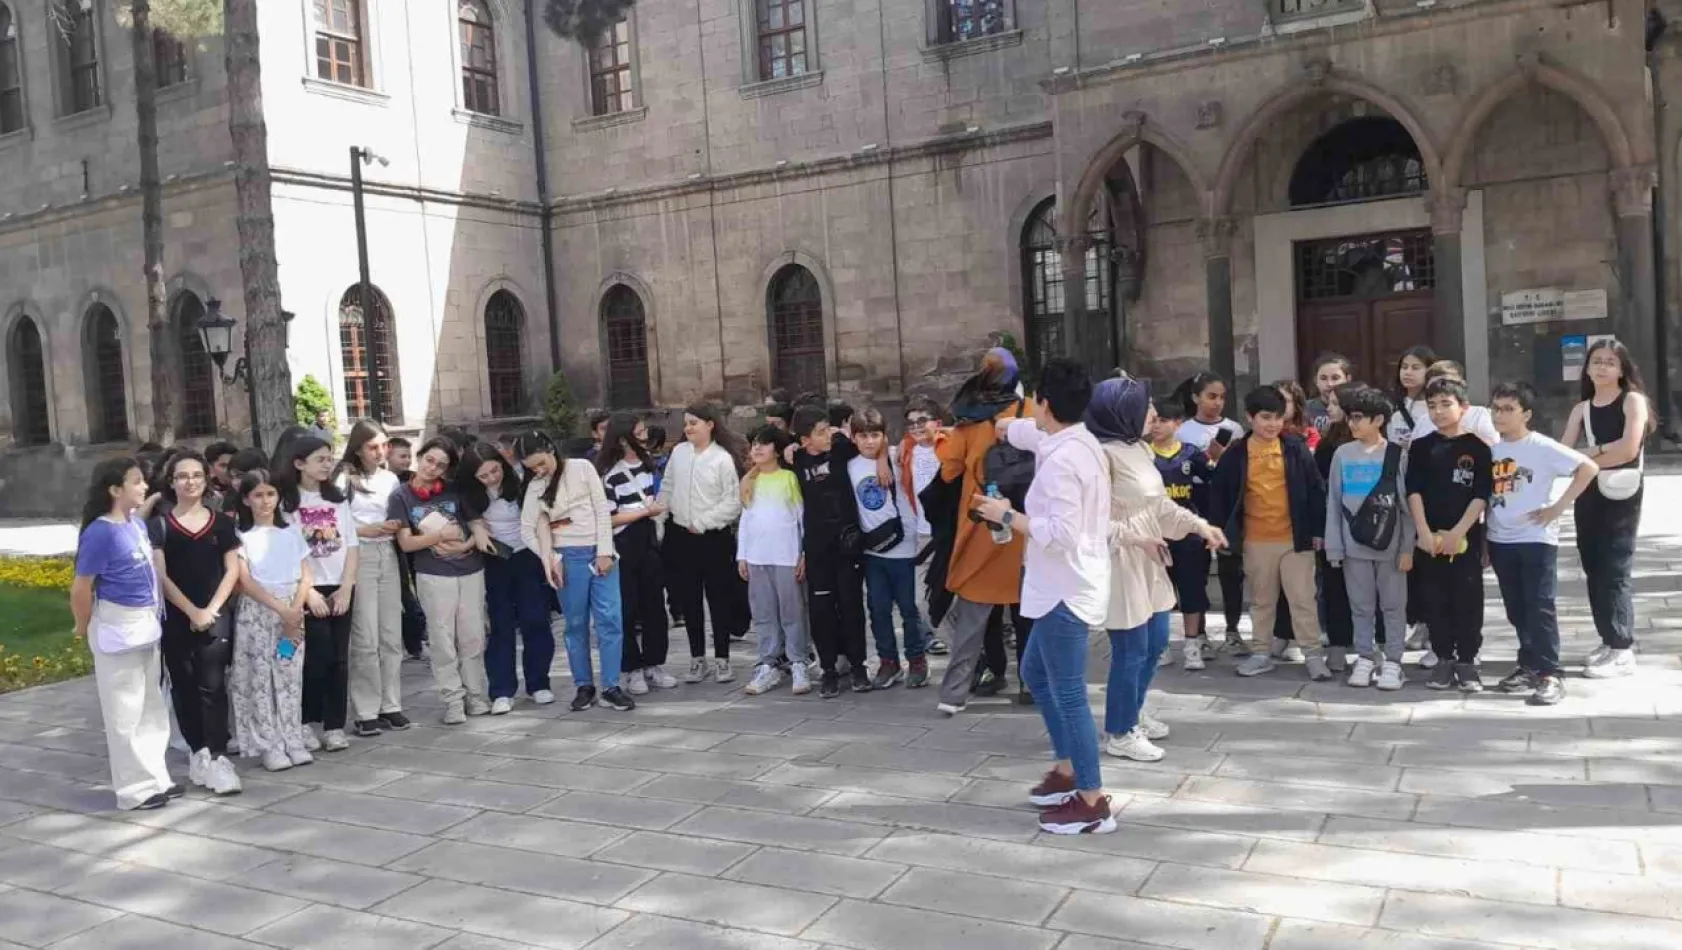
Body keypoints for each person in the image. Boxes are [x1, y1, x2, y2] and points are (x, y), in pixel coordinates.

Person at [972, 358, 1114, 835]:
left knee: (1069, 691)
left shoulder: (1062, 463)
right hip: (1060, 582)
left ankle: (1091, 800)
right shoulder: (1073, 438)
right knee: (1034, 671)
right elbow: (1023, 432)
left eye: (1034, 401)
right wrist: (1005, 423)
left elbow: (1060, 534)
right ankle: (1068, 770)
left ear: (1046, 403)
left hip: (1065, 587)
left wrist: (1004, 514)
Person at [1089, 378, 1226, 762]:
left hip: (1151, 553)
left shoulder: (1139, 449)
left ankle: (1132, 710)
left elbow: (1159, 505)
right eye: (1145, 404)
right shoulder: (1101, 456)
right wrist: (1133, 539)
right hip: (1121, 557)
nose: (1153, 411)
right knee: (1130, 649)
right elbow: (1090, 518)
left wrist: (1199, 525)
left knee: (1154, 643)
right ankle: (1119, 730)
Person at [71, 458, 180, 810]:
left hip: (146, 623)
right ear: (115, 490)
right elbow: (82, 586)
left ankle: (156, 776)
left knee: (151, 705)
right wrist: (82, 624)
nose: (144, 487)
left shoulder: (136, 525)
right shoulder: (100, 532)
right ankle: (134, 789)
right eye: (136, 481)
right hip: (117, 624)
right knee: (125, 710)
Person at [1487, 381, 1597, 704]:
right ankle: (1529, 662)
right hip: (1499, 537)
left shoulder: (1541, 446)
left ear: (1527, 414)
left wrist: (1558, 507)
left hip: (1535, 538)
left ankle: (1551, 672)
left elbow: (1588, 468)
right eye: (1496, 408)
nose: (1500, 415)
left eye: (1509, 409)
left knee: (1539, 605)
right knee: (1515, 607)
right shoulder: (1491, 449)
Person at [935, 348, 1031, 715]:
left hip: (982, 528)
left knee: (973, 618)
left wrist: (945, 440)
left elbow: (948, 472)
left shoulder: (968, 418)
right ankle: (1032, 684)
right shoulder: (1032, 412)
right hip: (1024, 527)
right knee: (1028, 615)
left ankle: (954, 694)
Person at [1208, 386, 1326, 678]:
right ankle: (1260, 652)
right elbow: (1220, 497)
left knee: (1303, 598)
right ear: (1250, 418)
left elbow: (1315, 489)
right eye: (1265, 417)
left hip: (1296, 539)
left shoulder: (1295, 448)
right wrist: (1220, 533)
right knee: (1262, 601)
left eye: (1277, 418)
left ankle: (1313, 655)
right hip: (1256, 541)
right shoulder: (1236, 453)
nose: (1272, 424)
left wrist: (1318, 530)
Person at [519, 431, 634, 712]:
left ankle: (611, 685)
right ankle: (584, 685)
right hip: (567, 558)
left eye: (541, 463)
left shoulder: (582, 468)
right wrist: (551, 557)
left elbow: (601, 511)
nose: (539, 470)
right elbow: (526, 531)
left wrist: (605, 550)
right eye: (532, 468)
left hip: (599, 552)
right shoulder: (536, 487)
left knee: (610, 620)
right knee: (575, 624)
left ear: (551, 448)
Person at [149, 450, 243, 795]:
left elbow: (232, 569)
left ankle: (219, 756)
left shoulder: (221, 523)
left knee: (214, 686)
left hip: (215, 616)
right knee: (184, 686)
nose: (190, 482)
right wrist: (191, 611)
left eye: (197, 476)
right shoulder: (159, 525)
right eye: (182, 476)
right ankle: (198, 751)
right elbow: (160, 575)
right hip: (177, 618)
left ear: (206, 481)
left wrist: (211, 610)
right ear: (171, 483)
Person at [1561, 338, 1653, 679]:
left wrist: (1591, 453)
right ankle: (1608, 639)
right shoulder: (1580, 409)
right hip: (1588, 492)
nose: (1602, 367)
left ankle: (1622, 648)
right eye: (1596, 361)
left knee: (1615, 567)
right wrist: (1596, 454)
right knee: (1593, 564)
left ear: (1622, 369)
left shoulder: (1633, 401)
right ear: (1587, 367)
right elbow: (1564, 453)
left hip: (1622, 494)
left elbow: (1628, 450)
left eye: (1610, 362)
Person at [391, 437, 491, 724]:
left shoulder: (454, 491)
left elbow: (477, 525)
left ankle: (475, 694)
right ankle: (453, 699)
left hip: (470, 570)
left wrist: (464, 545)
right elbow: (407, 544)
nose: (433, 468)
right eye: (429, 460)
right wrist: (438, 537)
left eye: (441, 465)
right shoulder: (401, 496)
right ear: (419, 457)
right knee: (442, 639)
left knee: (473, 636)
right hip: (433, 575)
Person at [1406, 375, 1493, 692]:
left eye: (1446, 404)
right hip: (1429, 539)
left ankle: (1467, 660)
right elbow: (1413, 490)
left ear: (1464, 407)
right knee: (1434, 598)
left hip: (1465, 538)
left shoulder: (1479, 448)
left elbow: (1481, 494)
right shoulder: (1420, 447)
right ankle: (1443, 658)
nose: (1439, 411)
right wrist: (1423, 531)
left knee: (1468, 599)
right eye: (1432, 406)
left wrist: (1459, 532)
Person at [1323, 385, 1413, 691]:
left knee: (1393, 605)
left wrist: (1407, 548)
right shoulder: (1342, 455)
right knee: (1360, 605)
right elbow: (1334, 503)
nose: (1352, 423)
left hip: (1390, 548)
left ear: (1379, 420)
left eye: (1359, 417)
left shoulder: (1397, 455)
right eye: (1350, 417)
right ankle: (1364, 656)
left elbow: (1406, 508)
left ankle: (1393, 661)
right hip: (1353, 547)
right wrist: (1334, 546)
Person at [274, 437, 360, 753]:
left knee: (339, 659)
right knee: (314, 658)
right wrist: (306, 592)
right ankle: (305, 721)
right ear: (299, 463)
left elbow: (351, 544)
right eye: (320, 459)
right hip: (305, 590)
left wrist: (347, 587)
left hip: (339, 585)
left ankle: (334, 725)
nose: (327, 464)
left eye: (329, 458)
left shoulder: (338, 499)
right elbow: (285, 552)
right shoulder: (286, 504)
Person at [229, 469, 314, 772]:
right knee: (260, 677)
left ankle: (293, 738)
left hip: (292, 612)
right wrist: (279, 608)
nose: (265, 501)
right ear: (246, 499)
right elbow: (246, 581)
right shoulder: (242, 536)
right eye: (258, 495)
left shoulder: (290, 531)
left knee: (289, 671)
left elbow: (305, 573)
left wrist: (295, 609)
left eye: (270, 494)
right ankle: (269, 743)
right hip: (259, 612)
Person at [657, 403, 748, 682]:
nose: (688, 428)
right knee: (689, 599)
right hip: (680, 537)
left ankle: (722, 659)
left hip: (712, 538)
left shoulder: (722, 458)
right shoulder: (679, 453)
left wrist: (704, 521)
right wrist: (660, 518)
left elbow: (732, 502)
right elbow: (667, 486)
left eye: (694, 423)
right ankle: (698, 658)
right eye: (686, 423)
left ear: (710, 424)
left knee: (718, 598)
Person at [463, 442, 557, 710]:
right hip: (496, 560)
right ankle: (502, 689)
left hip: (527, 555)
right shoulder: (471, 496)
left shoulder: (521, 483)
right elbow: (471, 519)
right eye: (484, 476)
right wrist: (476, 528)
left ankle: (539, 682)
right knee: (501, 623)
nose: (492, 478)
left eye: (495, 470)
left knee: (535, 618)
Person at [789, 404, 871, 697]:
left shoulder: (841, 450)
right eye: (819, 432)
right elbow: (765, 451)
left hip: (847, 545)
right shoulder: (795, 460)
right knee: (822, 609)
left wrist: (884, 461)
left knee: (851, 605)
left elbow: (875, 444)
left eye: (827, 429)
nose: (826, 436)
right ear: (804, 440)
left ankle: (859, 665)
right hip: (817, 547)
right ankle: (828, 669)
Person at [337, 420, 411, 735]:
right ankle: (366, 709)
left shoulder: (391, 478)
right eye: (372, 447)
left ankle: (391, 704)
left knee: (390, 634)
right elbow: (334, 525)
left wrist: (395, 526)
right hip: (360, 555)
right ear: (357, 448)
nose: (380, 452)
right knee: (365, 637)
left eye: (383, 445)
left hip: (388, 554)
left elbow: (399, 513)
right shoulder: (343, 479)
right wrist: (364, 529)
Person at [850, 408, 928, 689]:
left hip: (904, 546)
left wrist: (884, 456)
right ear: (854, 438)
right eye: (863, 436)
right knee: (878, 608)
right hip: (873, 551)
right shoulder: (850, 465)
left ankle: (917, 659)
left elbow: (914, 440)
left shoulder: (896, 456)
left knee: (909, 609)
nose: (869, 441)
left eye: (875, 435)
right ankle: (888, 661)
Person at [596, 413, 672, 694]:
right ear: (623, 438)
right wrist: (643, 511)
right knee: (627, 607)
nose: (644, 436)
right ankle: (632, 668)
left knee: (655, 605)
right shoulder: (610, 475)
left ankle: (655, 664)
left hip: (649, 539)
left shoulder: (649, 465)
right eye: (639, 432)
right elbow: (609, 518)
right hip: (624, 543)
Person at [1171, 372, 1247, 655]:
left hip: (1227, 500)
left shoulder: (1235, 429)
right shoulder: (1183, 431)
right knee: (1196, 568)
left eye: (1222, 397)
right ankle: (1198, 632)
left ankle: (1233, 629)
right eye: (1211, 396)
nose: (1217, 403)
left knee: (1231, 568)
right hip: (1195, 499)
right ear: (1195, 398)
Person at [1146, 398, 1217, 671]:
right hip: (1154, 535)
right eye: (1154, 420)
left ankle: (1193, 645)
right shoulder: (1142, 454)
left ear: (1178, 424)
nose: (1157, 426)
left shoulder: (1191, 454)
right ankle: (1161, 646)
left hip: (1187, 535)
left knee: (1192, 590)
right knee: (1158, 593)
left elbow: (1213, 482)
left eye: (1163, 421)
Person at [738, 425, 810, 696]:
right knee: (764, 614)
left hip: (786, 556)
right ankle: (767, 664)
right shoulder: (749, 482)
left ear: (777, 450)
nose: (757, 448)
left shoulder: (789, 478)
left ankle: (798, 661)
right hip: (758, 558)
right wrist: (742, 555)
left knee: (792, 613)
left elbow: (801, 518)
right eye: (754, 443)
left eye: (764, 444)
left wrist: (804, 553)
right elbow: (746, 520)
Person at [1388, 345, 1437, 656]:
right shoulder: (1394, 406)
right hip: (1401, 488)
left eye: (1416, 366)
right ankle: (1417, 621)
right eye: (1404, 366)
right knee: (1410, 561)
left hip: (1430, 488)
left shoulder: (1436, 406)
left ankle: (1434, 624)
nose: (1408, 372)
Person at [1311, 383, 1358, 674]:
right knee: (1335, 588)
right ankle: (1338, 647)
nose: (1328, 409)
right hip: (1335, 529)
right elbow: (1318, 491)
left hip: (1372, 532)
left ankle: (1373, 649)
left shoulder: (1378, 445)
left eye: (1335, 404)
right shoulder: (1327, 446)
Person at [898, 397, 949, 656]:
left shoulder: (950, 446)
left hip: (949, 533)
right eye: (911, 424)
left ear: (937, 423)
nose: (916, 428)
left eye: (921, 421)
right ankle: (929, 635)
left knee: (954, 593)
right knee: (920, 597)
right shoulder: (906, 450)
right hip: (922, 532)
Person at [1417, 360, 1498, 446]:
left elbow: (1495, 447)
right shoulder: (1423, 420)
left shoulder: (1479, 415)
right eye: (1434, 385)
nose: (1440, 387)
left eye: (1447, 383)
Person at [1305, 353, 1353, 435]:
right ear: (1316, 381)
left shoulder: (1356, 409)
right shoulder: (1304, 409)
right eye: (1323, 378)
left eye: (1335, 378)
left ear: (1348, 379)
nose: (1330, 384)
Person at [205, 441, 239, 510]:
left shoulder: (243, 489)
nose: (229, 469)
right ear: (210, 467)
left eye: (232, 464)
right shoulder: (205, 492)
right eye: (223, 466)